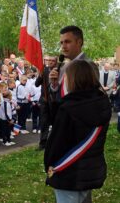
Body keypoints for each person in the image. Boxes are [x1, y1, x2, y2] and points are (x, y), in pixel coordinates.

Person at [44, 60, 111, 203]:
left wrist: (49, 165)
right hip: (90, 170)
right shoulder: (102, 101)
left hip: (69, 174)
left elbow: (56, 144)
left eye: (66, 76)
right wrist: (54, 87)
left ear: (74, 78)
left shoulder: (69, 108)